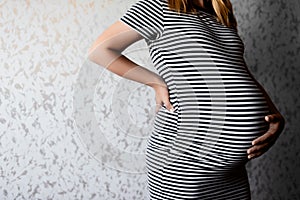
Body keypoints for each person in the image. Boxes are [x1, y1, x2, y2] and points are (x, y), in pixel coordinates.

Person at [88, 0, 285, 199]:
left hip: (231, 171)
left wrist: (273, 114)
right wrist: (154, 81)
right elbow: (100, 50)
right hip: (184, 164)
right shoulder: (157, 7)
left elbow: (238, 70)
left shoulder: (220, 13)